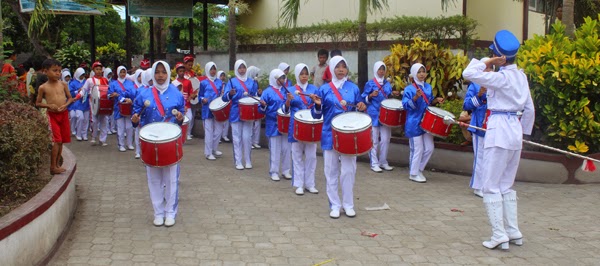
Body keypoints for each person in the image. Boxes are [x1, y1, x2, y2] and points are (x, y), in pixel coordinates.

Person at [462, 30, 534, 250]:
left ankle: (499, 234)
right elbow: (530, 108)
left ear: (500, 56)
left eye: (493, 54)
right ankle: (513, 232)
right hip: (515, 131)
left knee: (490, 185)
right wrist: (523, 134)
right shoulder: (521, 76)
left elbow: (468, 73)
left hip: (499, 129)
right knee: (506, 185)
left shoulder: (500, 77)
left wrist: (488, 61)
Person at [309, 56, 366, 219]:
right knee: (331, 171)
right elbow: (315, 114)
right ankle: (334, 204)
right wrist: (318, 105)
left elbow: (359, 109)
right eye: (338, 67)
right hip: (329, 134)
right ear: (332, 68)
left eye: (344, 66)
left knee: (349, 171)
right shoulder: (324, 89)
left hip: (349, 135)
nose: (341, 69)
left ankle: (348, 204)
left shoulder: (354, 88)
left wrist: (362, 107)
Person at [131, 61, 185, 227]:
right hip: (151, 140)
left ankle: (170, 213)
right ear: (153, 74)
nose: (160, 76)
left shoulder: (176, 93)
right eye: (157, 72)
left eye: (163, 72)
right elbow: (136, 114)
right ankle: (158, 212)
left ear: (168, 74)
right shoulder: (144, 94)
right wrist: (134, 119)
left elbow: (182, 115)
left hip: (170, 142)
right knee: (154, 180)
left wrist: (181, 118)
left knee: (171, 180)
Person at [401, 63, 444, 183]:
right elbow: (405, 105)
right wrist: (415, 98)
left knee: (429, 148)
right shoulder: (409, 89)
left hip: (426, 121)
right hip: (414, 122)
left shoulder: (428, 87)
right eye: (419, 72)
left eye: (423, 71)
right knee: (417, 148)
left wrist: (436, 100)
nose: (422, 74)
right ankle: (413, 174)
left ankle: (418, 169)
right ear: (414, 73)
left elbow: (429, 102)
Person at [283, 63, 319, 195]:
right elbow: (285, 110)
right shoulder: (290, 90)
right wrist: (288, 100)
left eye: (306, 74)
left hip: (311, 126)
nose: (304, 76)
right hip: (296, 126)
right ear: (297, 75)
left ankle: (310, 183)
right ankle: (298, 184)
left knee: (311, 156)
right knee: (297, 156)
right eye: (301, 74)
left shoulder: (314, 89)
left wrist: (316, 101)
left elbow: (318, 108)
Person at [35, 59, 75, 175]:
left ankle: (57, 164)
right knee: (57, 141)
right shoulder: (43, 87)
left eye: (59, 71)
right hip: (52, 115)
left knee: (61, 141)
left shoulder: (63, 84)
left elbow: (70, 98)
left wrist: (65, 105)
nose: (57, 73)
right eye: (54, 70)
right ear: (45, 71)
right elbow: (37, 103)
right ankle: (52, 166)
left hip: (63, 114)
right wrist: (49, 105)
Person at [462, 57, 493, 198]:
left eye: (490, 67)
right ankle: (478, 186)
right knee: (480, 156)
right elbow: (466, 106)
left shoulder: (496, 83)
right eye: (486, 67)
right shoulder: (474, 85)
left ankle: (489, 184)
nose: (489, 70)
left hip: (493, 125)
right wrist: (479, 95)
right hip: (479, 125)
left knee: (491, 157)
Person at [362, 61, 400, 173]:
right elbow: (363, 98)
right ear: (375, 70)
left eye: (383, 69)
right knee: (374, 140)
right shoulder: (370, 83)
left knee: (385, 139)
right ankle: (374, 163)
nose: (382, 71)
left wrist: (393, 94)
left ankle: (383, 161)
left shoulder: (387, 84)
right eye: (379, 69)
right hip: (373, 113)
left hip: (385, 114)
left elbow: (388, 97)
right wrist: (370, 95)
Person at [222, 59, 258, 170]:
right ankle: (238, 161)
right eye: (240, 68)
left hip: (248, 113)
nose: (242, 70)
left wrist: (258, 93)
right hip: (235, 112)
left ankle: (248, 160)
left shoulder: (251, 82)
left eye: (244, 67)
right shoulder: (231, 81)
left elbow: (254, 96)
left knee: (247, 138)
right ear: (237, 69)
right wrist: (230, 93)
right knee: (237, 138)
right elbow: (224, 98)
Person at [259, 69, 292, 181]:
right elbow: (261, 110)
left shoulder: (287, 91)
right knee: (275, 148)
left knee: (287, 148)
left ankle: (286, 170)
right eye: (279, 78)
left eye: (283, 78)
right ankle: (274, 171)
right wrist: (263, 105)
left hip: (286, 122)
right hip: (273, 123)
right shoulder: (267, 92)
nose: (281, 80)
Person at [78, 61, 111, 146]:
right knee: (94, 121)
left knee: (104, 121)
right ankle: (93, 137)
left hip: (103, 104)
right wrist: (78, 96)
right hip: (93, 103)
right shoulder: (89, 80)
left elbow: (109, 91)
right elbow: (84, 90)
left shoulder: (105, 80)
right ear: (93, 70)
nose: (99, 71)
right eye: (97, 69)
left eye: (100, 69)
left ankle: (103, 139)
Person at [197, 62, 224, 160]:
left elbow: (221, 94)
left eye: (214, 69)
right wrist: (202, 99)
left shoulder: (219, 82)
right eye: (211, 69)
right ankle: (208, 153)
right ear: (208, 70)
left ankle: (214, 148)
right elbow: (199, 96)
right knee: (208, 132)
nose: (213, 71)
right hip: (207, 109)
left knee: (219, 130)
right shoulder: (203, 83)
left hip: (217, 109)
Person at [109, 66, 136, 152]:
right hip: (118, 108)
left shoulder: (130, 83)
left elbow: (133, 93)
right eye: (121, 72)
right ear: (118, 73)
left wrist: (120, 95)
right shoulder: (113, 83)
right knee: (120, 128)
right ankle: (121, 144)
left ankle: (129, 144)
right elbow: (109, 94)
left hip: (128, 107)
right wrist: (114, 95)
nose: (123, 74)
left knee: (129, 127)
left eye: (124, 72)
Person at [133, 69, 154, 159]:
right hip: (141, 116)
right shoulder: (141, 90)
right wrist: (137, 115)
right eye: (150, 80)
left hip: (151, 116)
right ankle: (138, 151)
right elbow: (136, 104)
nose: (152, 82)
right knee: (139, 134)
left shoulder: (156, 90)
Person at [174, 62, 195, 140]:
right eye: (180, 71)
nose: (182, 73)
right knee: (178, 119)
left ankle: (187, 133)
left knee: (189, 118)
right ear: (177, 72)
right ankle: (179, 133)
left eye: (183, 71)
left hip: (187, 104)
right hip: (178, 105)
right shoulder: (174, 83)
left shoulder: (188, 82)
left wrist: (192, 96)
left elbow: (191, 92)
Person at [70, 68, 89, 141]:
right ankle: (78, 134)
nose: (82, 76)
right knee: (80, 118)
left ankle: (84, 134)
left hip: (86, 103)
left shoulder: (86, 82)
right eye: (81, 75)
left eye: (83, 74)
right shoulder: (73, 83)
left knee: (86, 120)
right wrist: (77, 91)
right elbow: (70, 93)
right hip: (77, 103)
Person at [247, 66, 262, 149]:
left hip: (256, 102)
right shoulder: (248, 82)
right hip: (250, 103)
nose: (257, 75)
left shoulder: (256, 82)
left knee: (257, 123)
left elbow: (257, 93)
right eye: (255, 73)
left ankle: (256, 141)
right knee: (251, 123)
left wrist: (259, 93)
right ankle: (250, 142)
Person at [217, 71, 231, 143]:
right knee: (219, 119)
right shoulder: (216, 84)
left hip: (225, 102)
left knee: (226, 119)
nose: (223, 77)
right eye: (221, 76)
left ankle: (224, 135)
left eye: (223, 76)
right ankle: (218, 137)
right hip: (218, 102)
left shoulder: (226, 84)